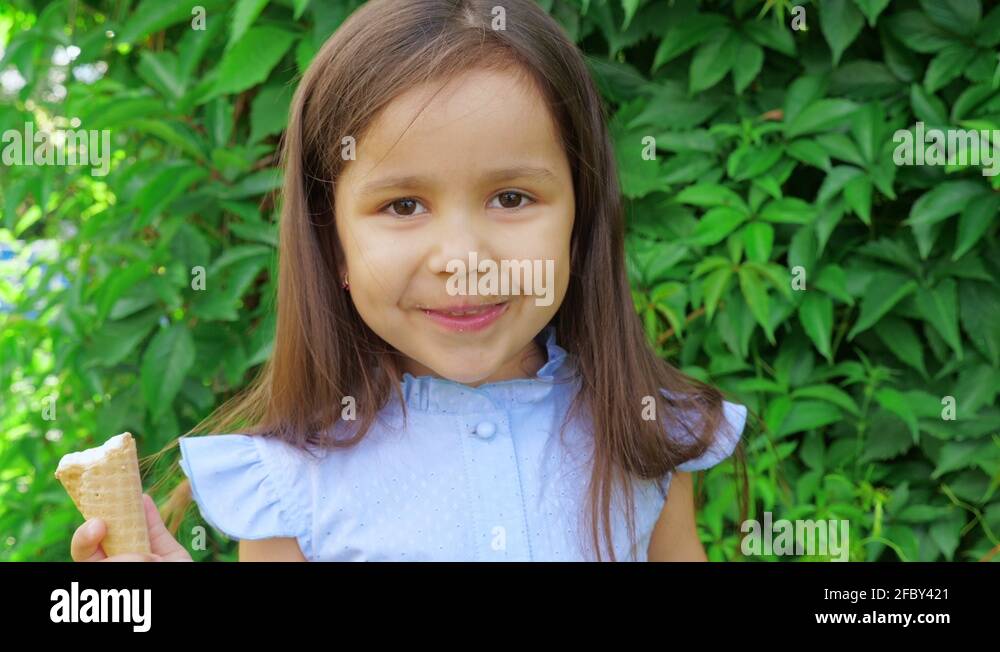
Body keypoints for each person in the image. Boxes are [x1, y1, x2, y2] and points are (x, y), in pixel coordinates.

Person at [72, 0, 748, 563]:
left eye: (512, 198)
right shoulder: (288, 482)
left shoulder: (646, 434)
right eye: (402, 206)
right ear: (330, 240)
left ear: (581, 215)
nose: (462, 259)